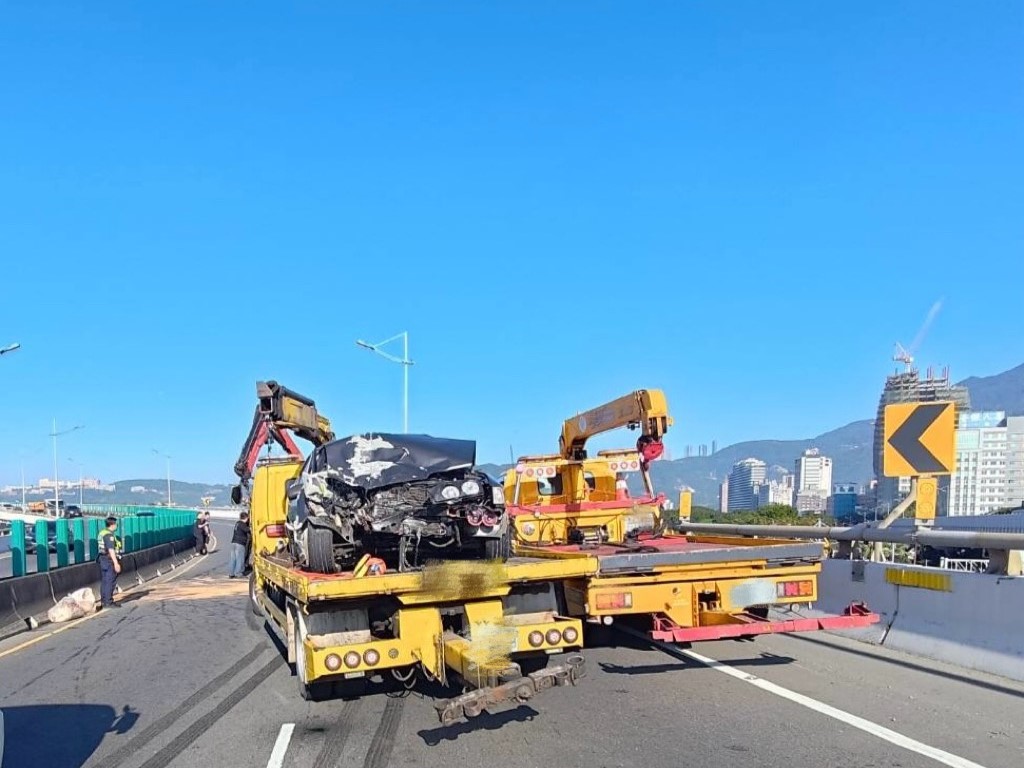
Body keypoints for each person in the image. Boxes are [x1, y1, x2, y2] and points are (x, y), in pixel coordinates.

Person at [97, 516, 122, 610]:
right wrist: (116, 563)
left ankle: (104, 601)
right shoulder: (109, 536)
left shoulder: (102, 533)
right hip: (109, 560)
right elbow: (111, 550)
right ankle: (108, 602)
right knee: (110, 581)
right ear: (112, 524)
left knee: (105, 580)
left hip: (102, 559)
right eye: (116, 524)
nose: (117, 526)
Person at [228, 511, 250, 579]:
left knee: (233, 559)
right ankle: (238, 573)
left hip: (234, 542)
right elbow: (248, 530)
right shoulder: (243, 524)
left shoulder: (237, 523)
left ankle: (231, 573)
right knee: (240, 559)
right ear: (246, 518)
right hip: (240, 543)